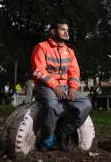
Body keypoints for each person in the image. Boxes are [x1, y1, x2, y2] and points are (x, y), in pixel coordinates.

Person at [30, 19, 92, 152]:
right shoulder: (41, 47)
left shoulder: (69, 52)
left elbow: (74, 72)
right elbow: (38, 71)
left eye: (67, 29)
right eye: (62, 29)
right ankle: (47, 138)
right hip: (45, 86)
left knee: (85, 104)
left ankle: (62, 133)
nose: (66, 32)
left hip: (65, 87)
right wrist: (54, 86)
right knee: (52, 106)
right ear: (53, 31)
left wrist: (73, 88)